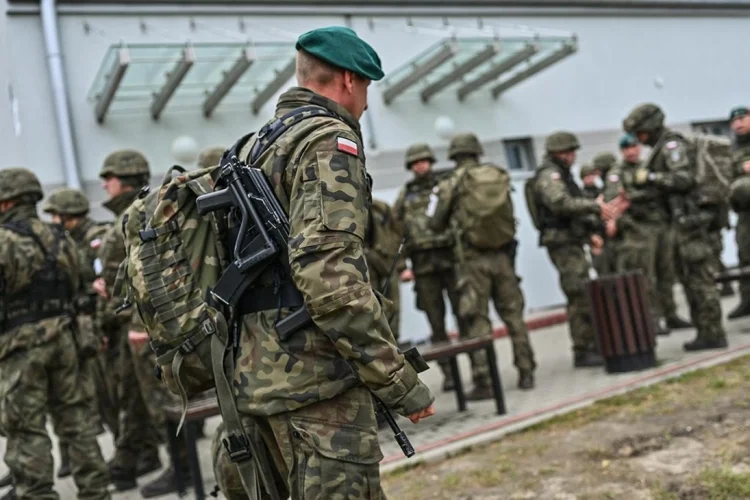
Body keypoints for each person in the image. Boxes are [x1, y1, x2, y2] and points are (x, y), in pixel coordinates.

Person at [213, 26, 435, 499]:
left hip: (250, 385)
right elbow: (329, 278)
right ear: (350, 81)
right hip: (316, 392)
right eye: (368, 89)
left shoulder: (252, 146)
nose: (367, 104)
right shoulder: (328, 142)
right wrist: (399, 384)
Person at [0, 167, 110, 500]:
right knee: (77, 421)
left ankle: (36, 494)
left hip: (20, 345)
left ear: (6, 202)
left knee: (25, 427)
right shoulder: (61, 237)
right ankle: (96, 492)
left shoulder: (3, 240)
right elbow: (82, 286)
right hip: (66, 338)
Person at [430, 133, 536, 393]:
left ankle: (486, 380)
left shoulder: (450, 183)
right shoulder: (497, 176)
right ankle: (526, 371)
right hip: (502, 257)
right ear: (477, 152)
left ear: (454, 155)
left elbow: (435, 223)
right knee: (514, 317)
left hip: (472, 261)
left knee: (477, 321)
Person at [623, 103, 727, 351]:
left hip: (691, 224)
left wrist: (650, 177)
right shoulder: (659, 149)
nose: (639, 139)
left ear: (651, 126)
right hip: (680, 224)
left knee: (700, 279)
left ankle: (713, 332)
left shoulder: (672, 146)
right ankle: (705, 331)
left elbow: (683, 179)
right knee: (689, 278)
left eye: (641, 133)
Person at [94, 150, 163, 490]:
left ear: (126, 180)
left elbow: (119, 281)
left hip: (136, 324)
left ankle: (134, 463)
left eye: (110, 177)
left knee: (142, 397)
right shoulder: (141, 212)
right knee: (133, 397)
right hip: (131, 323)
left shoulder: (132, 217)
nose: (105, 184)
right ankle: (140, 457)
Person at [530, 132, 624, 367]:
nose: (573, 157)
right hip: (561, 242)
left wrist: (587, 234)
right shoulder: (550, 175)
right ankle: (583, 349)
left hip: (570, 239)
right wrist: (595, 206)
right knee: (578, 293)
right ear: (557, 153)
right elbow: (559, 203)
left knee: (582, 291)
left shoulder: (562, 174)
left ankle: (589, 344)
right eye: (568, 152)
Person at [41, 188, 114, 479]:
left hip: (94, 325)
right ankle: (73, 455)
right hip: (80, 325)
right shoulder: (64, 241)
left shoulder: (94, 237)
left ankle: (128, 448)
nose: (55, 220)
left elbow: (100, 281)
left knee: (106, 396)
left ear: (69, 216)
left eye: (58, 215)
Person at [393, 143, 464, 391]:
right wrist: (402, 266)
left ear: (431, 162)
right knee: (437, 325)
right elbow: (395, 231)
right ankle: (450, 375)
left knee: (465, 316)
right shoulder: (406, 194)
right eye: (415, 162)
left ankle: (481, 372)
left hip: (450, 261)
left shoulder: (445, 186)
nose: (420, 165)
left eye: (424, 160)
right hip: (423, 267)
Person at [364, 198, 403, 340]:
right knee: (370, 307)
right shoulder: (347, 208)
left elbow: (398, 233)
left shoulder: (380, 208)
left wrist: (401, 264)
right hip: (364, 266)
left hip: (386, 262)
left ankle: (394, 342)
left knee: (393, 304)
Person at [727, 106, 750, 319]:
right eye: (734, 121)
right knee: (745, 255)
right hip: (745, 213)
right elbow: (722, 172)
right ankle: (747, 300)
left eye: (742, 118)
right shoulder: (731, 149)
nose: (738, 123)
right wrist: (740, 169)